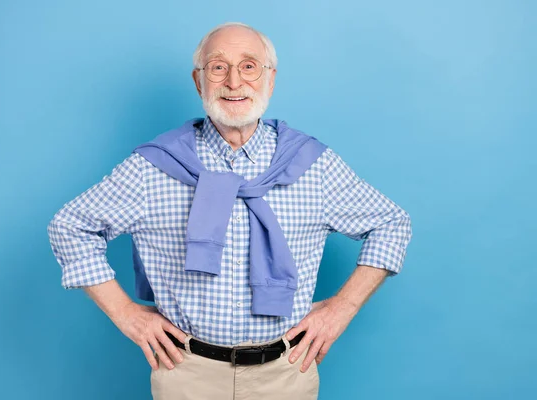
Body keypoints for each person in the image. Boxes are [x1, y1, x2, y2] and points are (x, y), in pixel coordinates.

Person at [47, 21, 412, 400]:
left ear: (270, 79)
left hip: (287, 375)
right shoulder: (153, 166)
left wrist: (343, 308)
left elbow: (391, 223)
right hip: (185, 375)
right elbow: (71, 226)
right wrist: (126, 314)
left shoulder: (313, 164)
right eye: (218, 67)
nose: (234, 82)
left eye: (249, 66)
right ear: (198, 80)